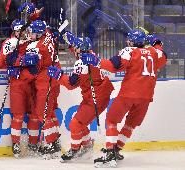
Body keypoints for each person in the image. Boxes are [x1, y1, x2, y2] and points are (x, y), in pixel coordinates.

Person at [81, 29, 167, 168]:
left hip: (129, 93)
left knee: (111, 120)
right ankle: (116, 149)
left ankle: (110, 153)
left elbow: (114, 66)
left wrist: (96, 61)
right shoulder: (154, 52)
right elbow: (163, 55)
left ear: (132, 42)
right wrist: (157, 43)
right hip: (146, 97)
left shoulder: (129, 51)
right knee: (130, 124)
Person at [47, 34, 114, 162]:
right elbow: (80, 52)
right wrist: (72, 44)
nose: (75, 50)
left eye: (76, 48)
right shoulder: (91, 54)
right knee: (80, 123)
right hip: (98, 95)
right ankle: (87, 146)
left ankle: (75, 149)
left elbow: (71, 84)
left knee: (75, 124)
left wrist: (59, 75)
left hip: (95, 99)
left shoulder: (82, 64)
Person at [0, 19, 40, 158]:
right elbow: (3, 60)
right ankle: (16, 144)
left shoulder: (33, 42)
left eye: (23, 30)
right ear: (14, 31)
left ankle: (33, 144)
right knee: (18, 115)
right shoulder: (10, 42)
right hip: (17, 83)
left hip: (32, 83)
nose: (21, 32)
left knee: (33, 116)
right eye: (18, 30)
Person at [23, 19, 61, 159]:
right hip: (54, 78)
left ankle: (51, 145)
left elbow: (34, 69)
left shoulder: (36, 47)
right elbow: (48, 30)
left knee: (42, 114)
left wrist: (21, 61)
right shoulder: (48, 35)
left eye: (32, 32)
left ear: (39, 34)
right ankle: (55, 142)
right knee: (49, 113)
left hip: (46, 82)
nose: (30, 34)